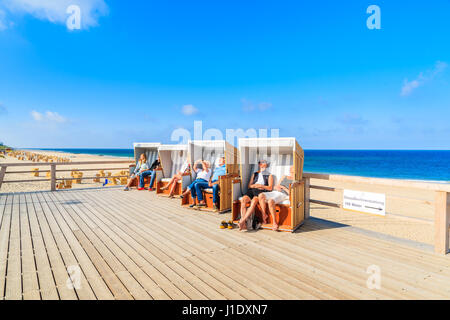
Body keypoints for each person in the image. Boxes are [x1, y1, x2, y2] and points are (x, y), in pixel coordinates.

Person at [238, 160, 273, 231]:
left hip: (260, 191)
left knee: (254, 201)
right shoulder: (255, 174)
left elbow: (270, 188)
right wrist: (254, 185)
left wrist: (261, 186)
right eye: (261, 163)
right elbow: (249, 186)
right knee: (243, 200)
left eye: (265, 163)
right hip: (252, 190)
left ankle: (242, 221)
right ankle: (243, 223)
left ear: (266, 165)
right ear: (259, 165)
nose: (263, 164)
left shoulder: (269, 175)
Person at [260, 166, 295, 231]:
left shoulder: (295, 180)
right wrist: (277, 187)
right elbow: (276, 186)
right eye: (291, 171)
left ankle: (274, 222)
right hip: (276, 192)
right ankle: (264, 215)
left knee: (271, 201)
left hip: (283, 194)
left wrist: (284, 188)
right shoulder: (284, 176)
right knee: (261, 195)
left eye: (293, 171)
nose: (291, 173)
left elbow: (291, 193)